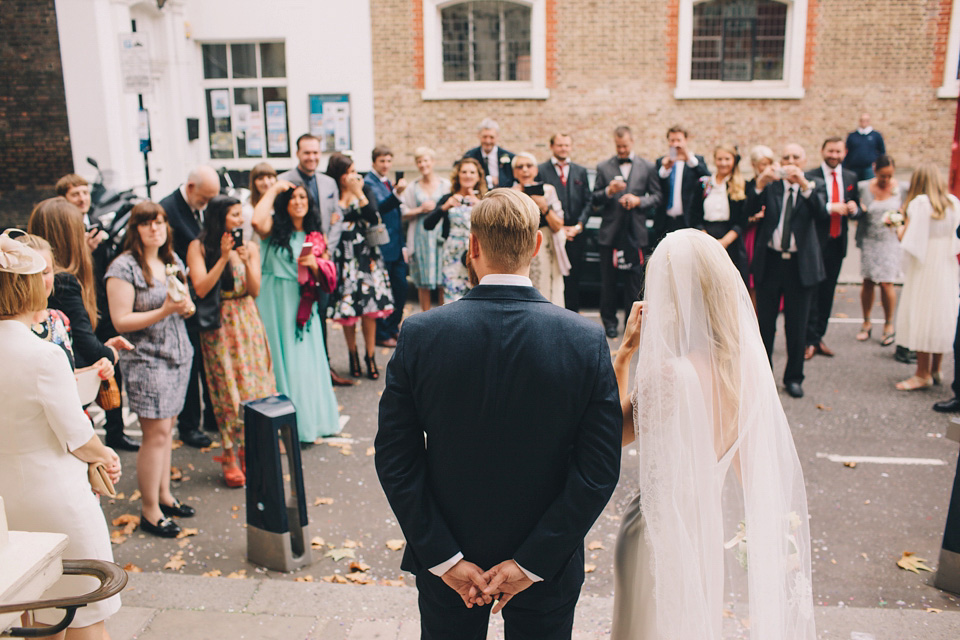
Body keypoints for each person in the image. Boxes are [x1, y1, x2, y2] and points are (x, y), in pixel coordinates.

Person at [376, 188, 621, 639]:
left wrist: (444, 558)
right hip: (547, 560)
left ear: (473, 246)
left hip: (449, 555)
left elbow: (396, 456)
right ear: (536, 246)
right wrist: (533, 563)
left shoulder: (422, 334)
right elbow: (598, 470)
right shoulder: (584, 340)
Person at [610, 229, 815, 640]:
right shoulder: (742, 373)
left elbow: (610, 434)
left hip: (654, 529)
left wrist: (625, 352)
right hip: (703, 532)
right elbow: (750, 467)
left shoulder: (672, 376)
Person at [0, 234, 123, 640]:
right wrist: (103, 454)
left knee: (39, 619)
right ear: (28, 285)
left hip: (9, 502)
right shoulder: (43, 354)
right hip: (57, 498)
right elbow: (76, 434)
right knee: (86, 615)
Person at [106, 202, 197, 537]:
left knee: (166, 433)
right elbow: (121, 320)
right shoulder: (124, 267)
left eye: (159, 223)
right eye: (146, 224)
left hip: (177, 354)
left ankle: (164, 496)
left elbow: (183, 305)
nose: (154, 229)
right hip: (146, 359)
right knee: (154, 436)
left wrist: (185, 308)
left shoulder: (171, 260)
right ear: (136, 229)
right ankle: (150, 510)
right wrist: (165, 309)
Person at [28, 197, 137, 451]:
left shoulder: (44, 282)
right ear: (70, 235)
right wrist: (110, 353)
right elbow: (85, 342)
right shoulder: (63, 281)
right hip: (65, 395)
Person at [187, 195, 275, 488]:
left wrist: (248, 262)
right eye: (235, 215)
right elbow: (200, 288)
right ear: (219, 217)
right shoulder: (199, 247)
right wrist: (223, 257)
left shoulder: (250, 246)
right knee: (226, 389)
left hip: (247, 320)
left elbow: (255, 289)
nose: (240, 220)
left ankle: (248, 449)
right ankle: (228, 454)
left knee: (254, 386)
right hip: (219, 325)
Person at [252, 180, 342, 441]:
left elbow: (323, 275)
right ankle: (276, 426)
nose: (299, 202)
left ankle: (305, 423)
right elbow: (257, 221)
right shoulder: (273, 232)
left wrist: (314, 264)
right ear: (284, 204)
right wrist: (274, 189)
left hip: (302, 303)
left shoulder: (315, 237)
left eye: (303, 197)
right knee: (278, 362)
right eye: (293, 198)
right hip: (272, 301)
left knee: (304, 365)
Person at [749, 143, 828, 399]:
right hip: (770, 262)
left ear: (804, 160)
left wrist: (804, 185)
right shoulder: (771, 185)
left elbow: (822, 214)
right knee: (765, 326)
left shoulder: (814, 185)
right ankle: (764, 378)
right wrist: (759, 184)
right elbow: (748, 210)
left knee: (797, 326)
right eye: (786, 157)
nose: (791, 161)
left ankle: (794, 378)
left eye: (796, 157)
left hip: (799, 266)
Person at [277, 134, 352, 387]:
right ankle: (301, 369)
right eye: (306, 152)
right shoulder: (284, 182)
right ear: (297, 153)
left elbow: (337, 218)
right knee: (299, 312)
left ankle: (323, 366)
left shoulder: (329, 183)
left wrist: (325, 251)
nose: (311, 157)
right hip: (293, 259)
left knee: (321, 312)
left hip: (323, 257)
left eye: (315, 153)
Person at [158, 166, 220, 449]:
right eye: (205, 198)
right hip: (185, 297)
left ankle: (211, 415)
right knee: (191, 363)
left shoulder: (204, 205)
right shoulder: (168, 210)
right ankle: (189, 425)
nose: (207, 204)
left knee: (207, 361)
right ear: (191, 187)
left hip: (206, 298)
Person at [326, 152, 395, 380]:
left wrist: (357, 193)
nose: (352, 176)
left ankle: (370, 356)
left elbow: (373, 218)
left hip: (366, 256)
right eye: (347, 172)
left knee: (369, 309)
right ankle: (352, 355)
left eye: (354, 170)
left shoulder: (364, 189)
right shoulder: (332, 194)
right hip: (342, 258)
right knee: (348, 310)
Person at [893, 165, 960, 390]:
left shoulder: (920, 204)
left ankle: (922, 373)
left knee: (922, 313)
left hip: (925, 265)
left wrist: (896, 226)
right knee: (940, 313)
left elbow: (910, 241)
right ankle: (936, 369)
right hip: (946, 264)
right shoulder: (952, 202)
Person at [592, 125, 663, 338]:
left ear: (632, 142)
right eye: (618, 146)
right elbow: (594, 199)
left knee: (635, 284)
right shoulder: (603, 167)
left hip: (636, 234)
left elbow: (657, 197)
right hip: (610, 234)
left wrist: (638, 200)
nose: (621, 150)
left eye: (624, 146)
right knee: (608, 282)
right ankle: (610, 324)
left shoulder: (647, 167)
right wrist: (608, 191)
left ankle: (633, 325)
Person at [804, 137, 860, 360]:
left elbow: (855, 206)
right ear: (822, 151)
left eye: (838, 152)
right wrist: (829, 207)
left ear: (844, 153)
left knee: (828, 294)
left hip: (837, 243)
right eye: (830, 151)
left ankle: (818, 337)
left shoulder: (850, 177)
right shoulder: (810, 176)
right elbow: (809, 208)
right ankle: (807, 339)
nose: (834, 155)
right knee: (813, 293)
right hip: (816, 243)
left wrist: (855, 209)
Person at [537, 133, 593, 312]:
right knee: (552, 276)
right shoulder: (541, 170)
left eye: (566, 145)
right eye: (560, 145)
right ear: (552, 146)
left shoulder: (580, 171)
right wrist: (559, 227)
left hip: (575, 234)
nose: (563, 148)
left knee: (574, 279)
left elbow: (588, 201)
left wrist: (578, 226)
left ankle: (572, 316)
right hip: (552, 232)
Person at [423, 157, 488, 303]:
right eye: (464, 172)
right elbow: (427, 224)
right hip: (452, 256)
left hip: (477, 254)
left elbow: (495, 224)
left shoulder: (485, 199)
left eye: (472, 172)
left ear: (478, 176)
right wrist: (444, 207)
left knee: (477, 296)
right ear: (458, 175)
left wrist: (480, 205)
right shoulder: (448, 198)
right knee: (453, 297)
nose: (468, 175)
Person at [509, 152, 568, 305]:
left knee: (546, 287)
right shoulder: (509, 194)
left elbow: (558, 225)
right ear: (514, 172)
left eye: (529, 166)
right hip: (519, 248)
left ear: (535, 170)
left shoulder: (548, 191)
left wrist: (544, 207)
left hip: (546, 247)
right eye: (520, 167)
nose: (525, 170)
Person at [856, 154, 903, 346]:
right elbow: (857, 213)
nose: (886, 180)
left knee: (887, 283)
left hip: (890, 241)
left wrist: (901, 221)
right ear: (875, 171)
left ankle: (888, 324)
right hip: (870, 240)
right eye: (883, 175)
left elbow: (907, 210)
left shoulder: (901, 188)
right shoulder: (862, 187)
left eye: (889, 176)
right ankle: (866, 322)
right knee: (867, 282)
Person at [364, 146, 408, 348]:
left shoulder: (388, 182)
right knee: (385, 291)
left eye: (389, 161)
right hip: (381, 245)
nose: (386, 165)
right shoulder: (368, 183)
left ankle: (392, 328)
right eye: (382, 161)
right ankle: (382, 333)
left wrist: (404, 246)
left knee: (401, 289)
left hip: (397, 246)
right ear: (374, 162)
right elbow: (378, 209)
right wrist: (397, 194)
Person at [690, 144, 749, 285]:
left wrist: (724, 242)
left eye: (727, 159)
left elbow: (743, 218)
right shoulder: (704, 184)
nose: (723, 163)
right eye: (720, 159)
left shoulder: (742, 185)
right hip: (705, 237)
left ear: (734, 160)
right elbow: (694, 213)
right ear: (715, 160)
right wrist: (706, 238)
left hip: (730, 240)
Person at [401, 146, 450, 311]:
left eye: (425, 160)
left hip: (440, 237)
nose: (423, 164)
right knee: (423, 282)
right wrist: (420, 210)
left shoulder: (445, 185)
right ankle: (425, 317)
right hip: (420, 237)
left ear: (433, 162)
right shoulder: (412, 187)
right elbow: (404, 212)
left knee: (443, 279)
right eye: (419, 161)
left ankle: (444, 318)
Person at [652, 125, 710, 246]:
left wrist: (688, 158)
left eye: (679, 140)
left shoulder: (695, 161)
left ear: (686, 140)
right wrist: (665, 168)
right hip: (665, 221)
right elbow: (656, 186)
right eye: (672, 140)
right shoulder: (661, 162)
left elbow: (707, 178)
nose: (676, 144)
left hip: (687, 220)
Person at [744, 145, 778, 305]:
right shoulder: (750, 185)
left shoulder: (777, 185)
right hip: (753, 235)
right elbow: (746, 210)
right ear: (754, 165)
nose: (765, 168)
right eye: (762, 164)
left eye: (768, 163)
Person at [55, 173, 103, 251]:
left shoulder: (96, 223)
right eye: (75, 194)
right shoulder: (58, 227)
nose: (82, 199)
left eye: (85, 193)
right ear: (62, 199)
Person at [463, 118, 515, 189]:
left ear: (497, 137)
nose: (488, 141)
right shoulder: (470, 155)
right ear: (479, 136)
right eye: (484, 137)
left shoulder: (510, 157)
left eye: (491, 137)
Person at [242, 162, 277, 243]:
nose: (266, 182)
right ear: (254, 182)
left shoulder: (281, 206)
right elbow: (245, 241)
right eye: (260, 178)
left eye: (269, 177)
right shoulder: (248, 210)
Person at [844, 113, 886, 182]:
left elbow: (882, 151)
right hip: (855, 168)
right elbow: (847, 152)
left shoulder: (876, 135)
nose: (864, 122)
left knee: (869, 187)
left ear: (869, 121)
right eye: (862, 120)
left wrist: (879, 164)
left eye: (866, 120)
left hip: (870, 168)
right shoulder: (852, 136)